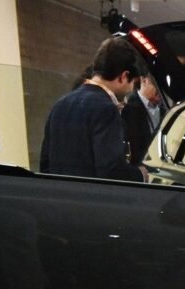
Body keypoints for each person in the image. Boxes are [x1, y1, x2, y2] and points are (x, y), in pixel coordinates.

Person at [40, 38, 145, 182]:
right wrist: (141, 174)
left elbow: (45, 165)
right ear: (124, 76)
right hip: (91, 195)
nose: (131, 89)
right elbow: (111, 171)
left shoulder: (60, 104)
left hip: (59, 194)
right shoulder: (107, 109)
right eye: (133, 83)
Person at [121, 74, 166, 166]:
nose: (161, 89)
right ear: (144, 81)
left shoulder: (165, 109)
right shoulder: (128, 109)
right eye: (157, 85)